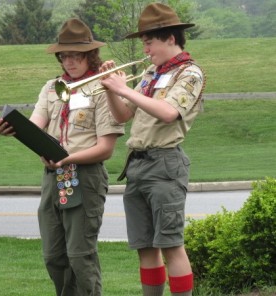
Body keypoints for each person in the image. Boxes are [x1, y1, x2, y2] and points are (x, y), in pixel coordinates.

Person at [0, 18, 124, 296]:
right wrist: (12, 129)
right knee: (54, 256)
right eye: (64, 55)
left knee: (80, 255)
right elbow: (36, 124)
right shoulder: (53, 88)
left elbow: (106, 149)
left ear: (90, 54)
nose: (69, 61)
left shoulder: (103, 88)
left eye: (76, 55)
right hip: (54, 176)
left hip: (85, 176)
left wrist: (67, 158)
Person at [100, 3, 206, 296]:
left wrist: (124, 89)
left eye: (150, 42)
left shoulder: (190, 73)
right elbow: (123, 115)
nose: (146, 50)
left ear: (170, 38)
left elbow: (169, 112)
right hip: (138, 164)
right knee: (144, 246)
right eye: (144, 43)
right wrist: (110, 89)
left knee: (171, 245)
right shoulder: (150, 72)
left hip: (165, 164)